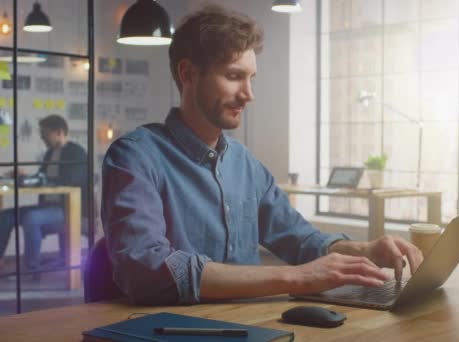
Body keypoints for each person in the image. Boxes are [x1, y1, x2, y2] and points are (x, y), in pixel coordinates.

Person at [101, 4, 423, 305]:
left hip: (257, 324)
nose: (248, 95)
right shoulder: (135, 156)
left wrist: (365, 250)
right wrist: (294, 278)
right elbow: (143, 267)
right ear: (188, 74)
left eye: (251, 78)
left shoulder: (245, 165)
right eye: (233, 76)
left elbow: (300, 240)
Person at [0, 114, 87, 272]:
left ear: (59, 132)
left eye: (45, 133)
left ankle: (31, 268)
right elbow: (41, 178)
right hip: (47, 206)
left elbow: (70, 181)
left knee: (31, 218)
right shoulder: (49, 154)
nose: (42, 137)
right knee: (5, 216)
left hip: (66, 209)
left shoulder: (77, 153)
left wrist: (44, 179)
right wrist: (23, 177)